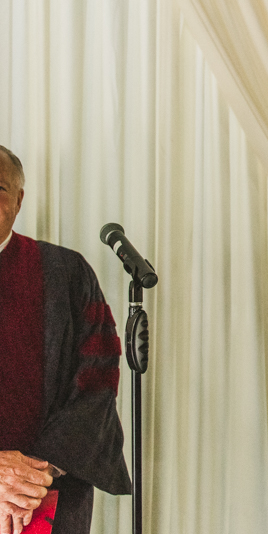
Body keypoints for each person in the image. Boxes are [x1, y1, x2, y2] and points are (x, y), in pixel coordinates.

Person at [0, 145, 131, 534]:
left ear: (19, 200)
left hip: (47, 493)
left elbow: (99, 378)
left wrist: (32, 476)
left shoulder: (65, 273)